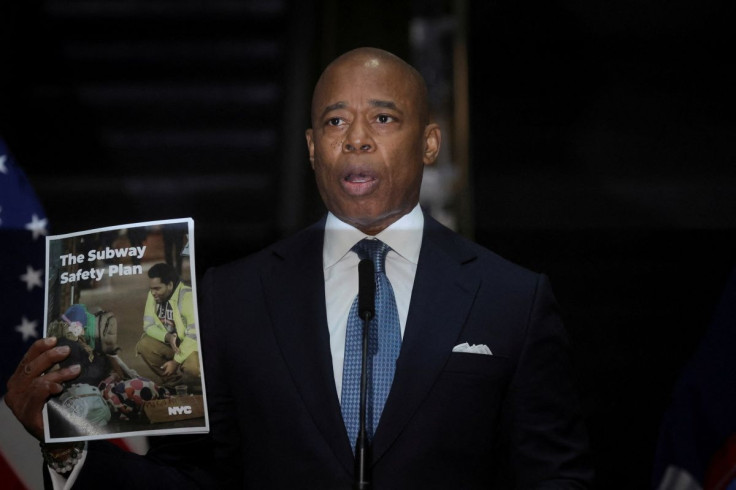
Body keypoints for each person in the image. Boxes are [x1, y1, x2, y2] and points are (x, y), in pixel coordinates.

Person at [5, 47, 593, 489]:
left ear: (430, 143)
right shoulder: (232, 295)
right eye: (336, 122)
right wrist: (69, 450)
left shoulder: (511, 298)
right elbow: (193, 479)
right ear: (312, 148)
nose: (356, 140)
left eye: (383, 119)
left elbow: (555, 478)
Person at [136, 262, 200, 390]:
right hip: (172, 343)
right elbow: (148, 326)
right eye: (151, 288)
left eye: (157, 288)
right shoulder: (153, 296)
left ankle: (202, 385)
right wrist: (168, 337)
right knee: (144, 345)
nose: (153, 293)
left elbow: (194, 335)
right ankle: (173, 382)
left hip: (191, 346)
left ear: (170, 285)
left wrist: (176, 362)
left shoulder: (188, 297)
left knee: (193, 368)